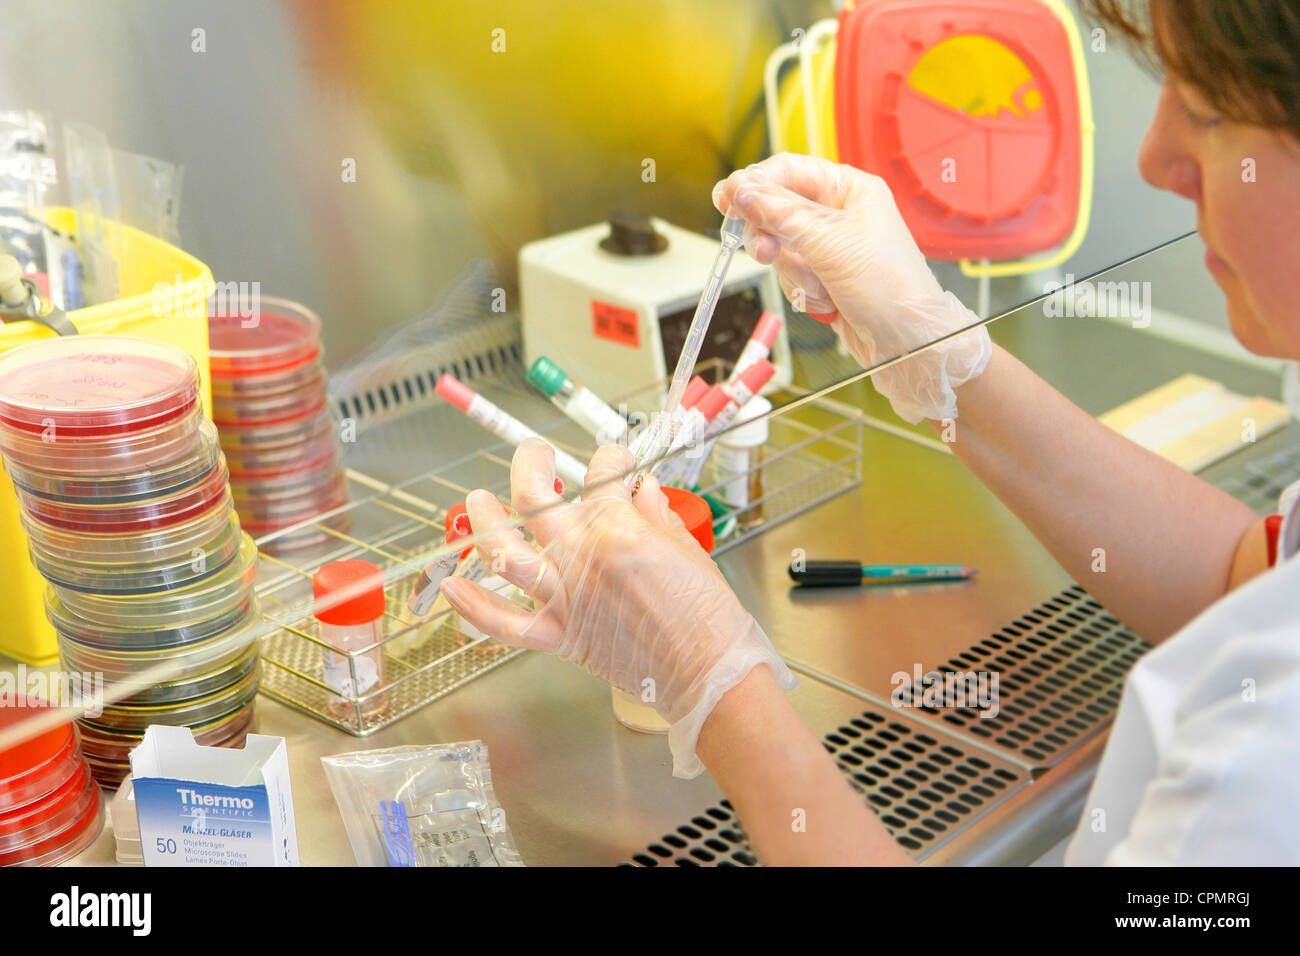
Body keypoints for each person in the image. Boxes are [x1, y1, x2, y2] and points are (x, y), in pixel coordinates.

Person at [438, 0, 1300, 865]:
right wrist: (940, 354)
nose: (1154, 160)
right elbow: (1247, 572)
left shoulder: (1261, 761)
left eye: (1206, 111)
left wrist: (712, 679)